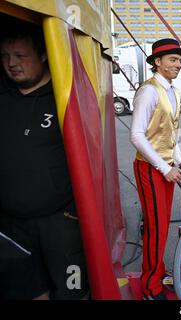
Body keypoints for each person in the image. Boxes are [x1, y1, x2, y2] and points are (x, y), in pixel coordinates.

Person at [0, 20, 89, 300]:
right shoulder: (3, 95)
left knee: (71, 290)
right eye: (4, 56)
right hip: (12, 223)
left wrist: (77, 209)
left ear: (43, 54)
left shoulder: (66, 96)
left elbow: (92, 158)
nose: (11, 64)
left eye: (20, 56)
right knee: (26, 289)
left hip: (60, 222)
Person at [130, 38, 181, 300]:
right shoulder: (149, 90)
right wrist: (163, 168)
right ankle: (149, 287)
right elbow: (136, 135)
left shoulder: (173, 91)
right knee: (156, 228)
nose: (178, 65)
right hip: (149, 168)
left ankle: (158, 272)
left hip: (165, 166)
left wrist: (179, 159)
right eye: (172, 59)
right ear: (157, 62)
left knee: (162, 226)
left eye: (179, 60)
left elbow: (169, 133)